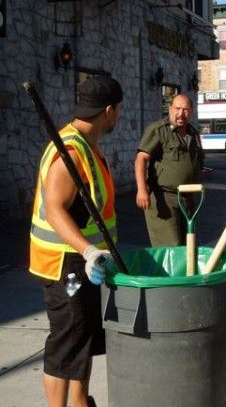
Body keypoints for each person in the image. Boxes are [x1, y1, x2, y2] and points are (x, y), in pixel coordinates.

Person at [29, 76, 123, 407]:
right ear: (109, 111)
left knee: (83, 337)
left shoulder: (88, 148)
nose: (119, 116)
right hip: (64, 264)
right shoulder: (69, 150)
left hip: (84, 262)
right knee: (66, 342)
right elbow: (55, 210)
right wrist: (89, 251)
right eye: (119, 111)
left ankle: (80, 401)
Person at [135, 94, 205, 246]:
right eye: (177, 108)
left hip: (187, 199)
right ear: (170, 109)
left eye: (185, 109)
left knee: (188, 247)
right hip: (164, 198)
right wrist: (142, 190)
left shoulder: (193, 134)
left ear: (191, 112)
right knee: (169, 248)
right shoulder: (158, 130)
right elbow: (141, 159)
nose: (181, 114)